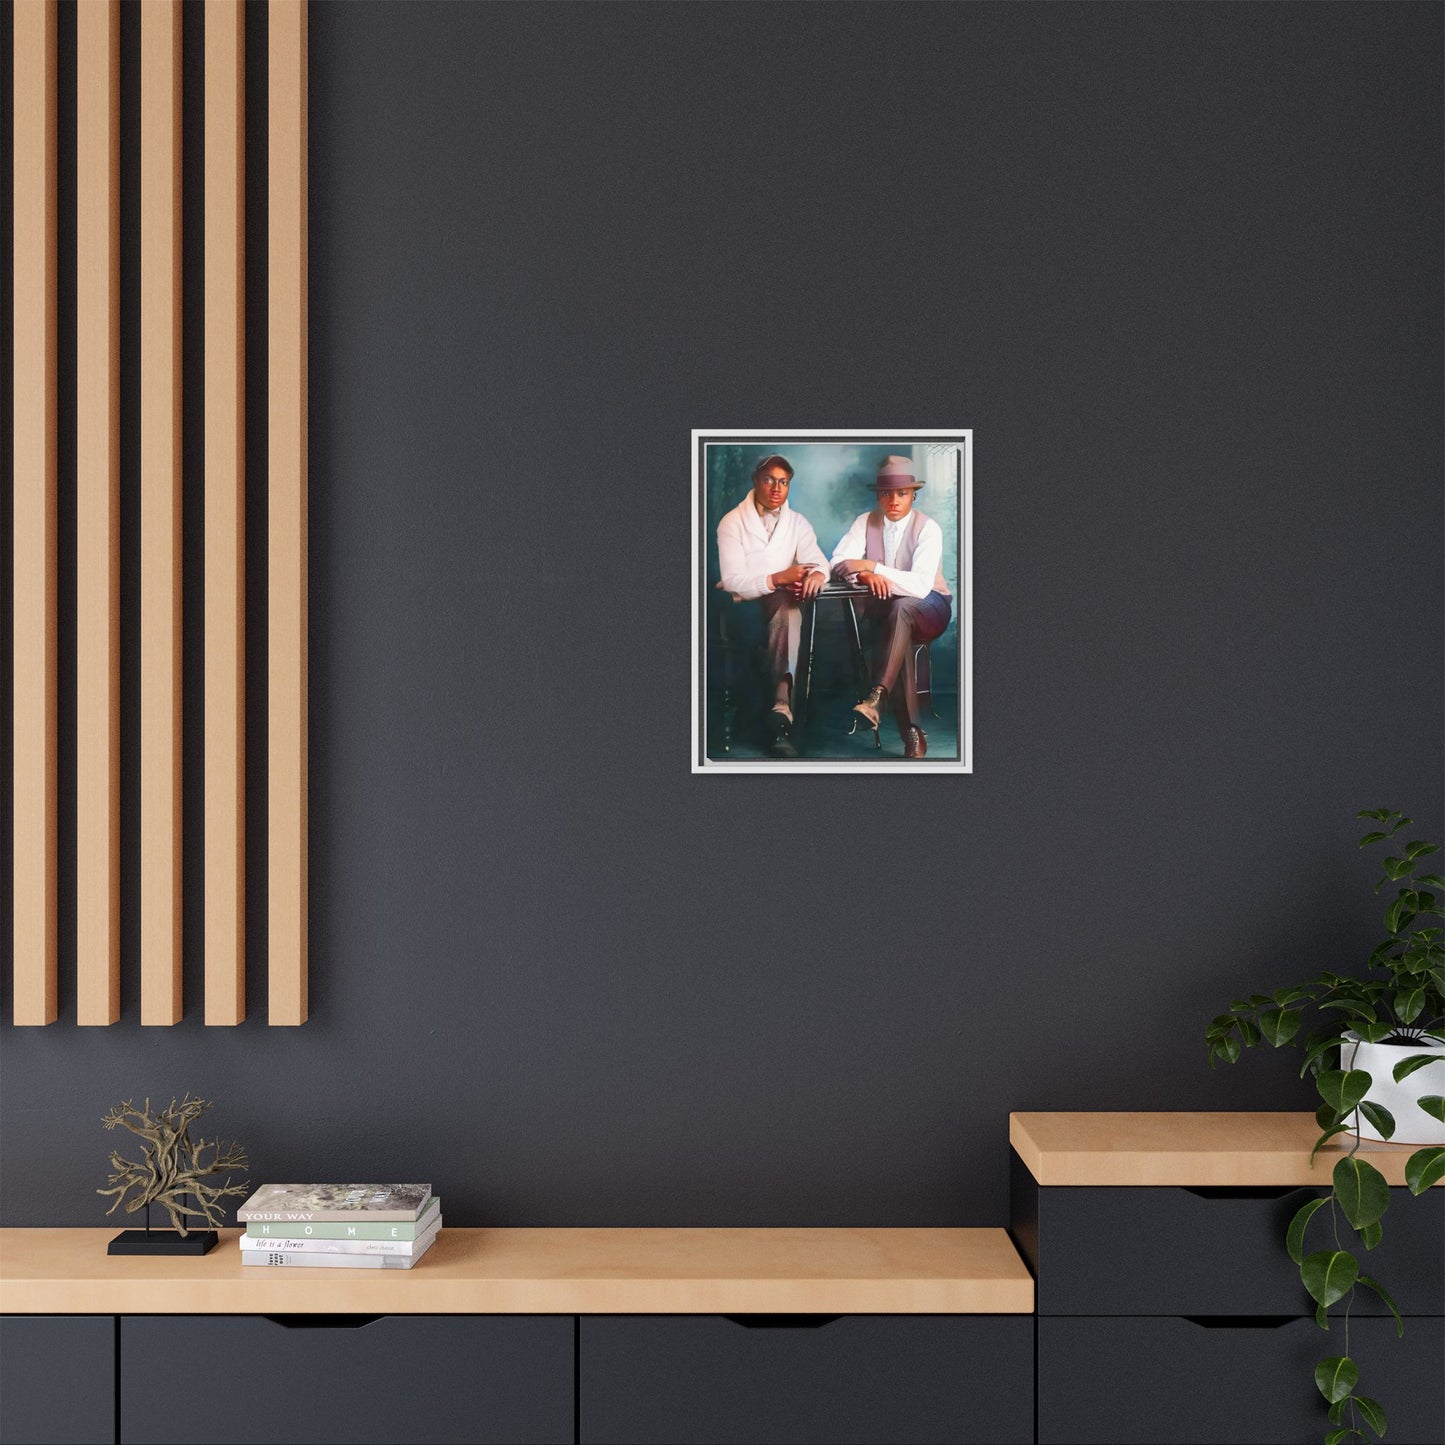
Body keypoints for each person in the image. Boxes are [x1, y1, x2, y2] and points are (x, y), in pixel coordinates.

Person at [829, 454, 951, 759]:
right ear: (878, 494)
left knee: (904, 610)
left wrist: (873, 566)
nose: (893, 500)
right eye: (886, 493)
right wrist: (865, 574)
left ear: (913, 494)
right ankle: (911, 732)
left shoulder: (928, 528)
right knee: (898, 622)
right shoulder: (864, 522)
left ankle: (877, 697)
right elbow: (837, 563)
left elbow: (920, 586)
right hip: (889, 612)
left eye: (902, 493)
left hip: (931, 608)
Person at [715, 454, 829, 757]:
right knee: (784, 604)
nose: (776, 488)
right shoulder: (732, 522)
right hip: (743, 609)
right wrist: (779, 576)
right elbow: (733, 580)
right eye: (769, 480)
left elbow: (818, 560)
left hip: (780, 605)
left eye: (784, 482)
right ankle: (781, 706)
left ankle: (781, 706)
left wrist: (817, 572)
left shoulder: (797, 522)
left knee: (789, 606)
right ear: (756, 481)